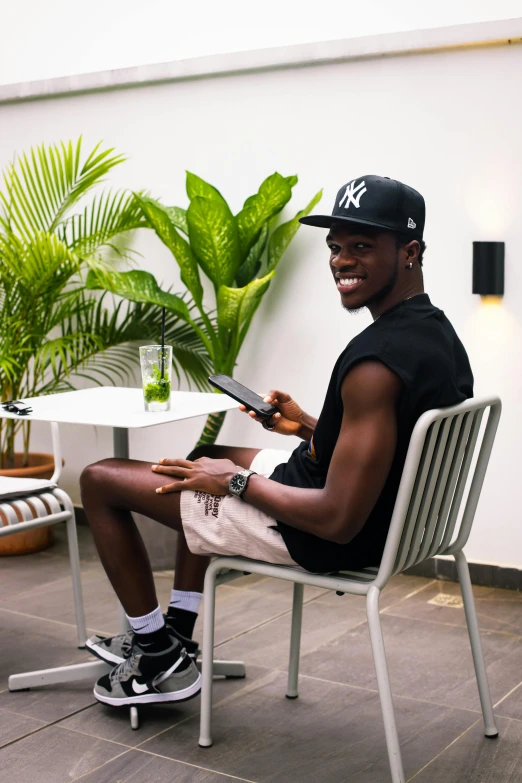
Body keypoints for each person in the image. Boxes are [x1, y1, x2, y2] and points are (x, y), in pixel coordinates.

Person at [81, 174, 474, 707]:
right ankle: (176, 632)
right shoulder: (434, 334)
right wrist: (310, 426)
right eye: (335, 247)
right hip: (392, 520)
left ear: (410, 252)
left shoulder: (374, 363)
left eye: (362, 246)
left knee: (100, 479)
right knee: (205, 455)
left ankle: (152, 651)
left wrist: (237, 483)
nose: (340, 261)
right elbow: (396, 442)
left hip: (321, 530)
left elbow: (337, 518)